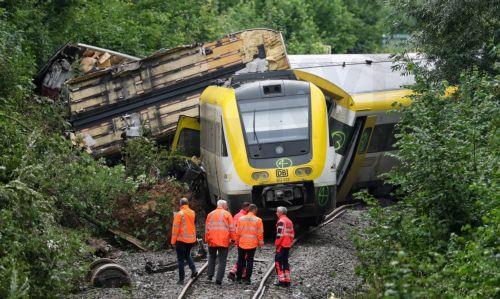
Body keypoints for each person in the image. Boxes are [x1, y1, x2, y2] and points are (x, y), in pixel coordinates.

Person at [205, 199, 235, 285]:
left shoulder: (210, 214)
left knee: (211, 257)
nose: (227, 207)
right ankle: (218, 279)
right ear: (224, 206)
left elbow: (207, 228)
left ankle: (209, 276)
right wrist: (233, 239)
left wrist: (207, 239)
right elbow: (232, 228)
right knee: (222, 260)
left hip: (212, 240)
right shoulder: (227, 214)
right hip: (223, 240)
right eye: (226, 206)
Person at [171, 197, 198, 285]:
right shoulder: (193, 212)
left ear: (180, 204)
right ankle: (193, 270)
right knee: (187, 255)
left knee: (180, 260)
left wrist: (172, 242)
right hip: (191, 239)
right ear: (187, 204)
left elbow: (175, 229)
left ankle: (181, 279)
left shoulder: (179, 214)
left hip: (182, 240)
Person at [235, 204, 264, 284]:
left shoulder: (241, 219)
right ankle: (247, 279)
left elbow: (237, 232)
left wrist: (236, 241)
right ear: (254, 210)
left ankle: (238, 278)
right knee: (250, 261)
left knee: (240, 260)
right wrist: (260, 243)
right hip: (252, 244)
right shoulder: (258, 220)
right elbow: (260, 233)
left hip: (242, 243)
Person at [227, 202, 250, 281]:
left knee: (242, 257)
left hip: (238, 239)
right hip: (244, 239)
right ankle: (233, 272)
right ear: (246, 208)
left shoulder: (237, 215)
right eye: (249, 208)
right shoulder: (244, 217)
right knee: (244, 257)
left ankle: (243, 274)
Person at [273, 206, 294, 287]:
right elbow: (292, 234)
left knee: (278, 262)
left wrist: (276, 244)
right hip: (287, 245)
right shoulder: (289, 221)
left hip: (281, 245)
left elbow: (279, 235)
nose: (276, 213)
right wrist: (290, 242)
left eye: (277, 212)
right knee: (285, 262)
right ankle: (287, 280)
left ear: (281, 213)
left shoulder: (281, 221)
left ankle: (282, 281)